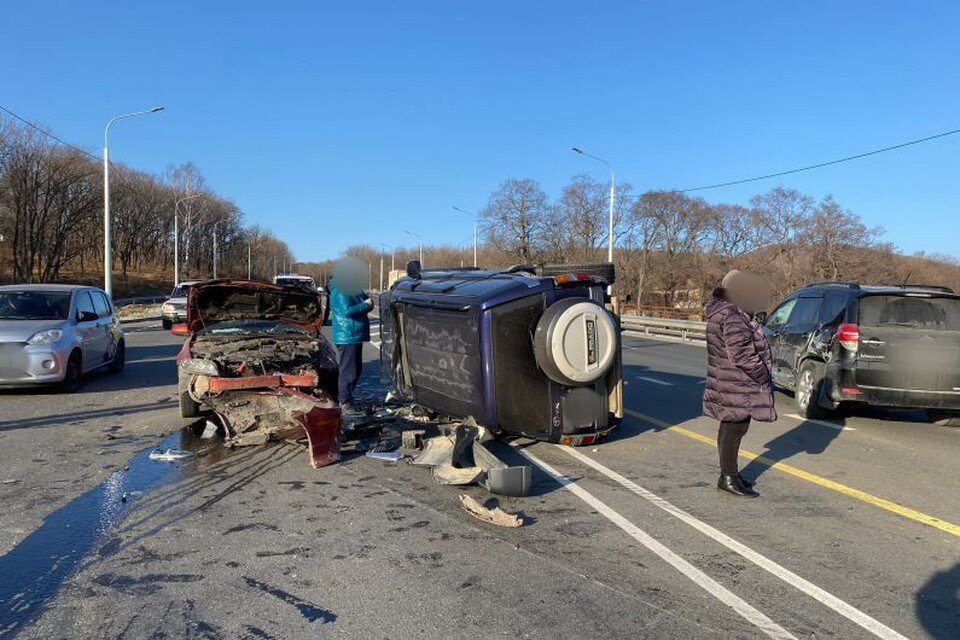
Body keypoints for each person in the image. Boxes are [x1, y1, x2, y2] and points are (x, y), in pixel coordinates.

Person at [703, 269, 775, 497]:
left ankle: (730, 473)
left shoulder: (723, 312)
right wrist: (763, 376)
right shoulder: (732, 315)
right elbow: (742, 355)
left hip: (728, 379)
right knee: (735, 428)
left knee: (730, 426)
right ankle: (728, 477)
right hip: (737, 382)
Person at [328, 258, 373, 416]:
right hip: (347, 335)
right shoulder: (340, 290)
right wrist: (366, 305)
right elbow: (346, 310)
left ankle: (346, 398)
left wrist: (367, 303)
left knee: (355, 369)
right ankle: (344, 401)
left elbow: (364, 298)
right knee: (349, 371)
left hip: (353, 334)